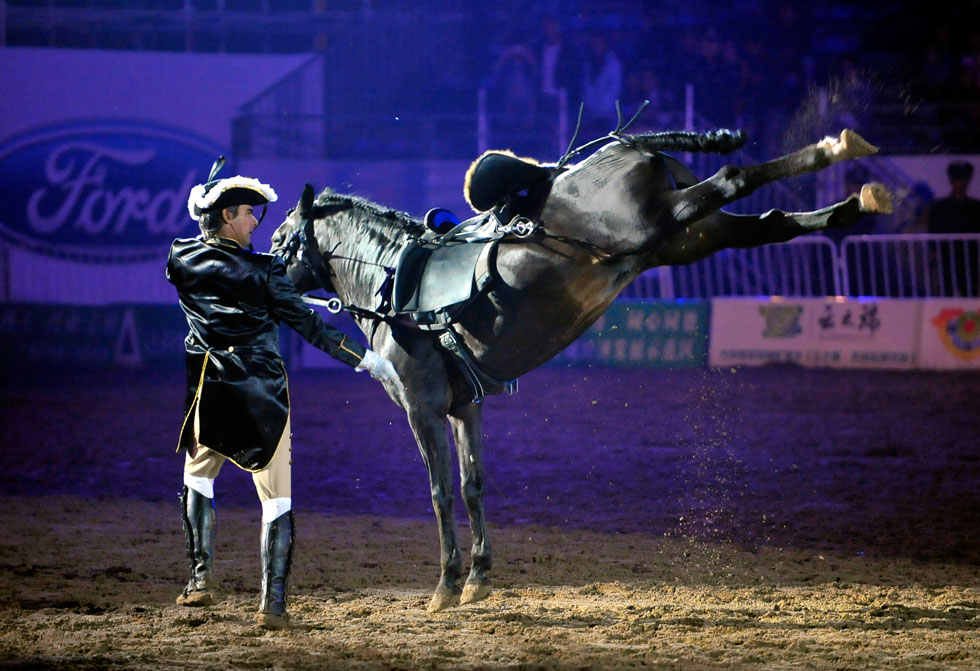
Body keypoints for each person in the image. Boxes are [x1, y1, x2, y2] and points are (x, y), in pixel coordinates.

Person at [166, 158, 403, 629]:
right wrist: (370, 360)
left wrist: (205, 208)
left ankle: (198, 581)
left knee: (197, 478)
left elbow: (213, 260)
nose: (256, 220)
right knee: (276, 499)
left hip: (209, 388)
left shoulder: (181, 260)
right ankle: (272, 605)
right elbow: (312, 329)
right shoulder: (267, 272)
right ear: (227, 216)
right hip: (258, 390)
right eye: (248, 212)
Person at [921, 160, 980, 295]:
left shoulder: (975, 207)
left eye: (964, 180)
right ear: (952, 182)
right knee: (945, 292)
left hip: (969, 258)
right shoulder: (939, 207)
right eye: (958, 180)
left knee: (969, 292)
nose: (961, 184)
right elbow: (933, 230)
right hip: (946, 257)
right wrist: (933, 252)